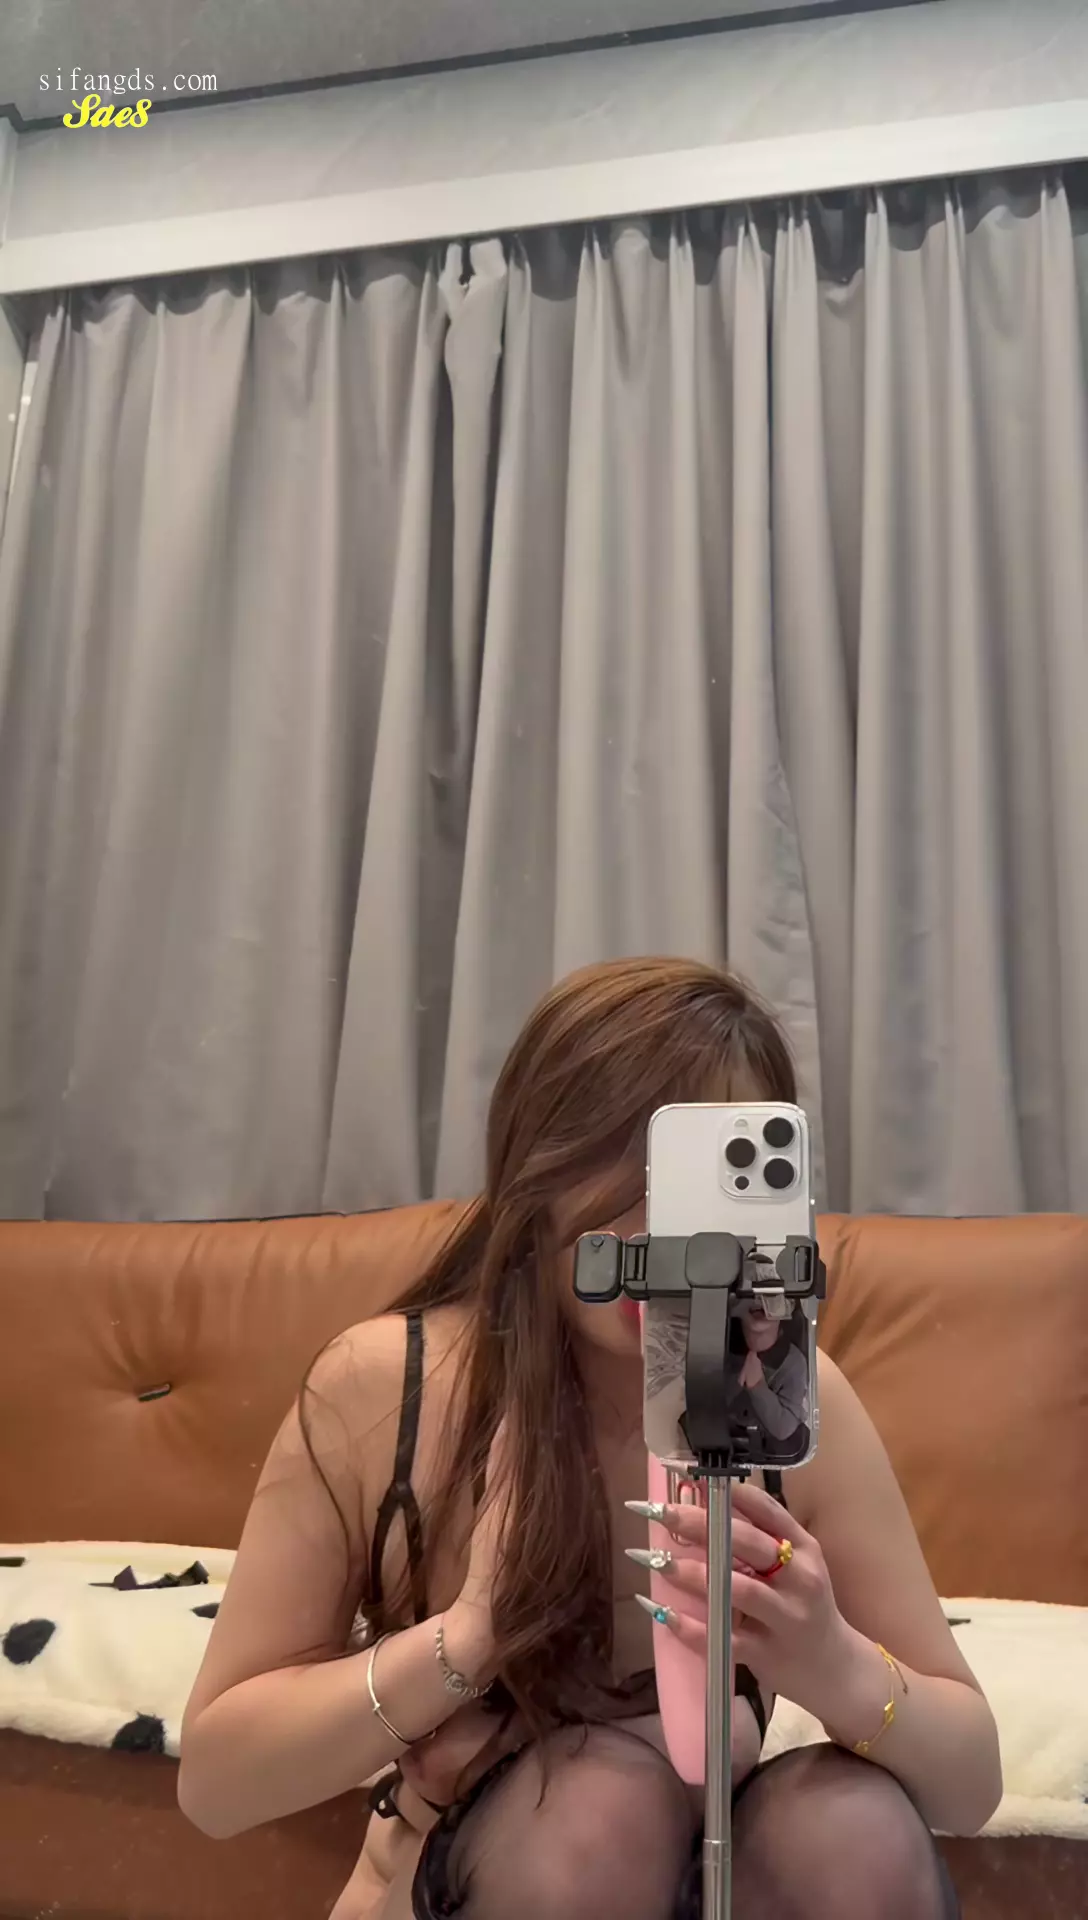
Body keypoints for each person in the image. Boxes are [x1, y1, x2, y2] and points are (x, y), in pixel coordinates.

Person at [178, 958, 1002, 1920]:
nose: (660, 1227)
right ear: (535, 1166)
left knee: (849, 1831)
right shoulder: (386, 1389)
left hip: (724, 1881)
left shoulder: (785, 1403)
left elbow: (969, 1784)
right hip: (479, 1882)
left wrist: (835, 1666)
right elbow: (218, 1785)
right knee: (592, 1815)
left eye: (706, 1175)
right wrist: (464, 1639)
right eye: (621, 1160)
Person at [726, 1301, 810, 1457]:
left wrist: (757, 1386)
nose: (760, 1300)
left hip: (770, 1449)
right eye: (751, 1296)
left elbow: (784, 1427)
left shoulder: (794, 1363)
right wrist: (738, 1379)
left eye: (770, 1297)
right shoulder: (723, 1348)